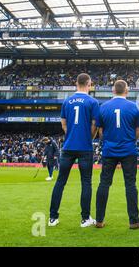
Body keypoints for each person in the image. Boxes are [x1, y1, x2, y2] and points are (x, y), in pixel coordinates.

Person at [48, 73, 100, 228]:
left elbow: (63, 124)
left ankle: (52, 218)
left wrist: (70, 135)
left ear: (76, 83)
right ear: (89, 84)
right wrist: (88, 138)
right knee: (86, 183)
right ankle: (85, 219)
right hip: (85, 147)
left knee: (60, 182)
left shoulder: (67, 101)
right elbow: (95, 125)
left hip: (68, 147)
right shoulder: (93, 102)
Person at [95, 80, 139, 229]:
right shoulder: (133, 107)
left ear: (113, 90)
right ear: (126, 91)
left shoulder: (103, 107)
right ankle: (134, 221)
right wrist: (129, 140)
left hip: (109, 150)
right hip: (128, 150)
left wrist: (110, 140)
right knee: (130, 184)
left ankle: (99, 220)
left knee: (104, 183)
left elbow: (100, 131)